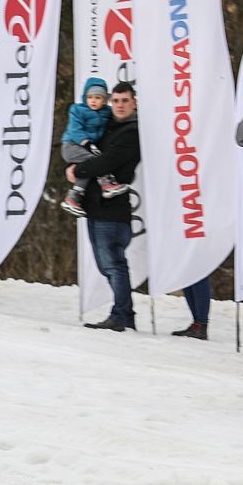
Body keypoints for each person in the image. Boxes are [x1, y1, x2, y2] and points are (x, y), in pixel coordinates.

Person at [67, 81, 141, 332]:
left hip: (114, 210)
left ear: (134, 103)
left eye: (125, 101)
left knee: (113, 264)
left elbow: (107, 162)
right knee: (106, 264)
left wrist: (78, 170)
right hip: (97, 207)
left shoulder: (131, 131)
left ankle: (120, 315)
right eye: (116, 101)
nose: (119, 106)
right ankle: (126, 313)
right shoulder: (108, 125)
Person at [59, 77, 129, 217]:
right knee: (94, 162)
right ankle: (106, 184)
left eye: (97, 98)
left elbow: (118, 113)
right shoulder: (77, 110)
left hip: (85, 148)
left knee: (88, 169)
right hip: (71, 145)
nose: (93, 101)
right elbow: (74, 129)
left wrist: (134, 106)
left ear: (104, 100)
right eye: (90, 97)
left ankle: (73, 198)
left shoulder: (106, 112)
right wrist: (86, 142)